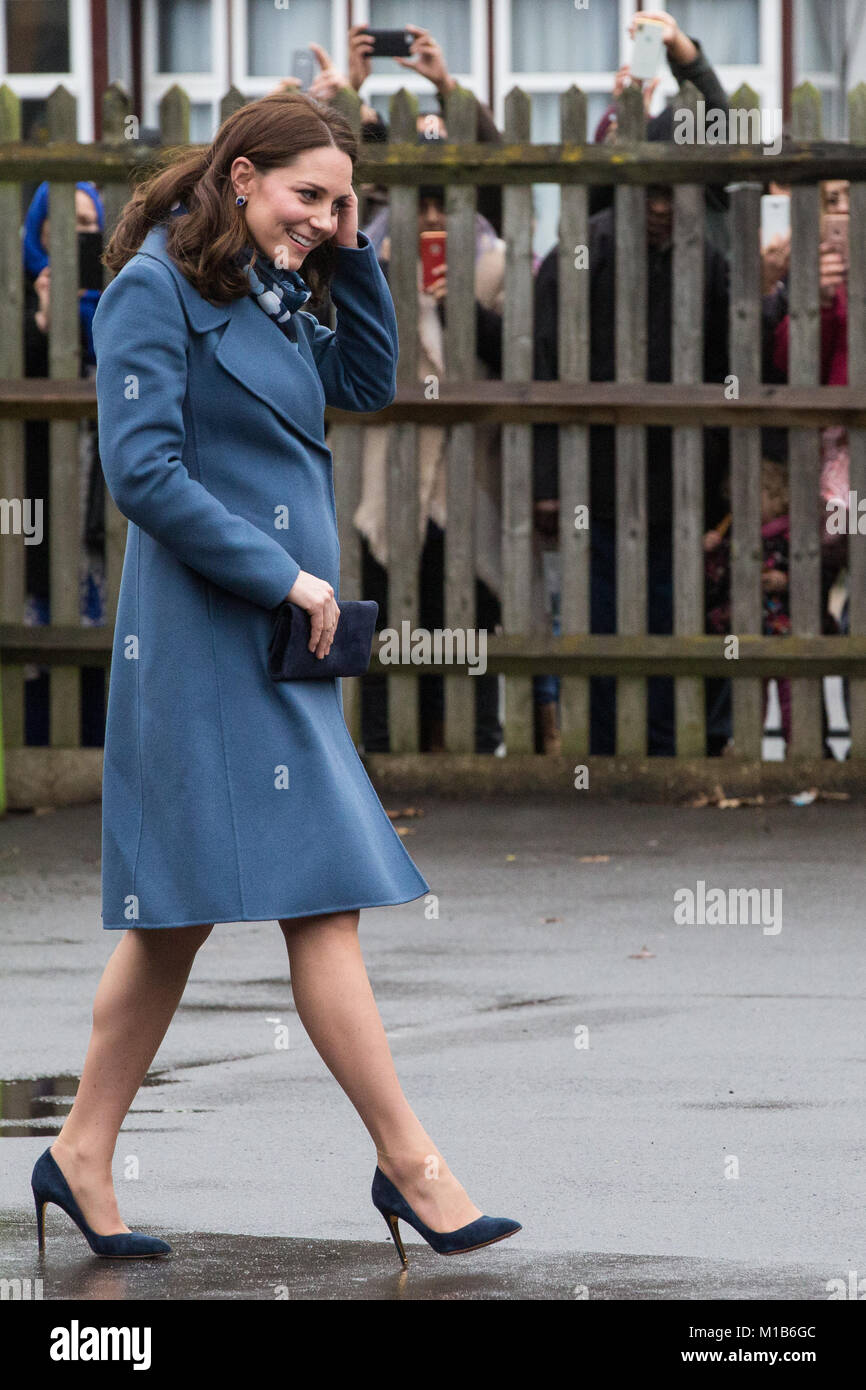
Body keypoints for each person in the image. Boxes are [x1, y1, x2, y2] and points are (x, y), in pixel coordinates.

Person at [29, 90, 521, 1266]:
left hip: (276, 641)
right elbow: (142, 473)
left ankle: (82, 1152)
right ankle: (410, 1165)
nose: (321, 217)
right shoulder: (155, 286)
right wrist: (286, 579)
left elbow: (362, 380)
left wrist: (349, 250)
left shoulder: (272, 278)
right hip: (208, 636)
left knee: (182, 921)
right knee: (281, 903)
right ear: (240, 175)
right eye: (307, 194)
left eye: (340, 202)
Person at [532, 189, 730, 756]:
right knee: (599, 610)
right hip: (594, 470)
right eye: (653, 195)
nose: (662, 207)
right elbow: (543, 361)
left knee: (673, 610)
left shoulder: (707, 256)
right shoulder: (583, 248)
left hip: (682, 474)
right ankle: (602, 746)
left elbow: (728, 360)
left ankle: (667, 746)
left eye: (673, 195)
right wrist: (548, 482)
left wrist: (717, 463)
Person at [356, 177, 509, 755]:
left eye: (442, 203)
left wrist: (455, 305)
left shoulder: (495, 266)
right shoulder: (364, 266)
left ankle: (474, 745)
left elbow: (518, 354)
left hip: (470, 473)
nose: (428, 216)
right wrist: (386, 284)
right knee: (387, 610)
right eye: (416, 204)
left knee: (469, 609)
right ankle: (385, 746)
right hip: (386, 472)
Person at [21, 180, 108, 745]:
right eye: (61, 223)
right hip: (34, 494)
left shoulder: (119, 297)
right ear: (37, 230)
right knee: (37, 611)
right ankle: (36, 744)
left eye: (86, 223)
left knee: (105, 618)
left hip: (103, 501)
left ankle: (98, 750)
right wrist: (42, 326)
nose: (75, 235)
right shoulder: (16, 296)